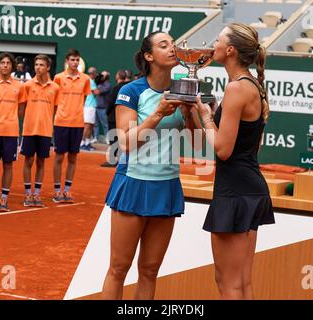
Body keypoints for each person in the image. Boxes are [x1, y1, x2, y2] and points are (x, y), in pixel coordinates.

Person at [102, 31, 196, 300]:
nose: (171, 49)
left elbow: (194, 139)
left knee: (150, 269)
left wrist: (191, 112)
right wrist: (158, 114)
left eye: (173, 45)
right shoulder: (131, 91)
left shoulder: (184, 87)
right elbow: (127, 143)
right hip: (133, 182)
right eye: (163, 45)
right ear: (148, 56)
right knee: (119, 268)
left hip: (166, 184)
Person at [192, 23, 275, 300]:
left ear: (230, 50)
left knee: (228, 283)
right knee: (241, 283)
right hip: (248, 187)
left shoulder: (236, 88)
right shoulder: (252, 85)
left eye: (217, 40)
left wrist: (205, 117)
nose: (212, 45)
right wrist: (210, 114)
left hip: (235, 191)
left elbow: (223, 150)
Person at [0, 53, 26, 212]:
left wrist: (10, 119)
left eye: (8, 63)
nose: (5, 65)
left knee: (8, 164)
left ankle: (4, 198)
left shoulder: (19, 86)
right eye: (2, 63)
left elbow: (21, 109)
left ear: (12, 66)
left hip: (11, 131)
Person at [53, 49, 91, 203]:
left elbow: (84, 100)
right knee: (59, 157)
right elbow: (55, 101)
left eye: (77, 60)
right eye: (72, 60)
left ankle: (67, 190)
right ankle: (57, 191)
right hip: (61, 122)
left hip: (77, 123)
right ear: (67, 61)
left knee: (73, 158)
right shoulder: (58, 78)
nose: (75, 63)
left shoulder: (86, 79)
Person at [21, 55, 59, 207]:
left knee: (41, 161)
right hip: (29, 130)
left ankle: (36, 194)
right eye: (36, 64)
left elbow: (55, 109)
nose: (38, 67)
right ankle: (27, 194)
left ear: (48, 67)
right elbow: (22, 108)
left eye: (42, 65)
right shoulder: (28, 86)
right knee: (28, 160)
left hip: (45, 130)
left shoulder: (55, 88)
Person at [102, 69, 130, 167]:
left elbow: (111, 102)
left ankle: (112, 161)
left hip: (114, 117)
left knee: (114, 139)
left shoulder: (117, 88)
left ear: (118, 76)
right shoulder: (128, 87)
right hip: (125, 117)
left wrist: (107, 112)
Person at [81, 66, 98, 151]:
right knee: (87, 126)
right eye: (95, 73)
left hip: (90, 106)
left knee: (90, 126)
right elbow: (96, 92)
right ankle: (82, 143)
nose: (96, 75)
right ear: (93, 74)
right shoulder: (90, 81)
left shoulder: (89, 80)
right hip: (89, 106)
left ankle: (87, 142)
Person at [93, 70, 111, 143]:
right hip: (96, 106)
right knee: (95, 124)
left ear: (106, 77)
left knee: (105, 124)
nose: (101, 76)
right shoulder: (98, 83)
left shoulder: (107, 85)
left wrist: (92, 87)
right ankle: (95, 137)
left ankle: (107, 138)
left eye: (103, 75)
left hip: (103, 107)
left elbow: (97, 92)